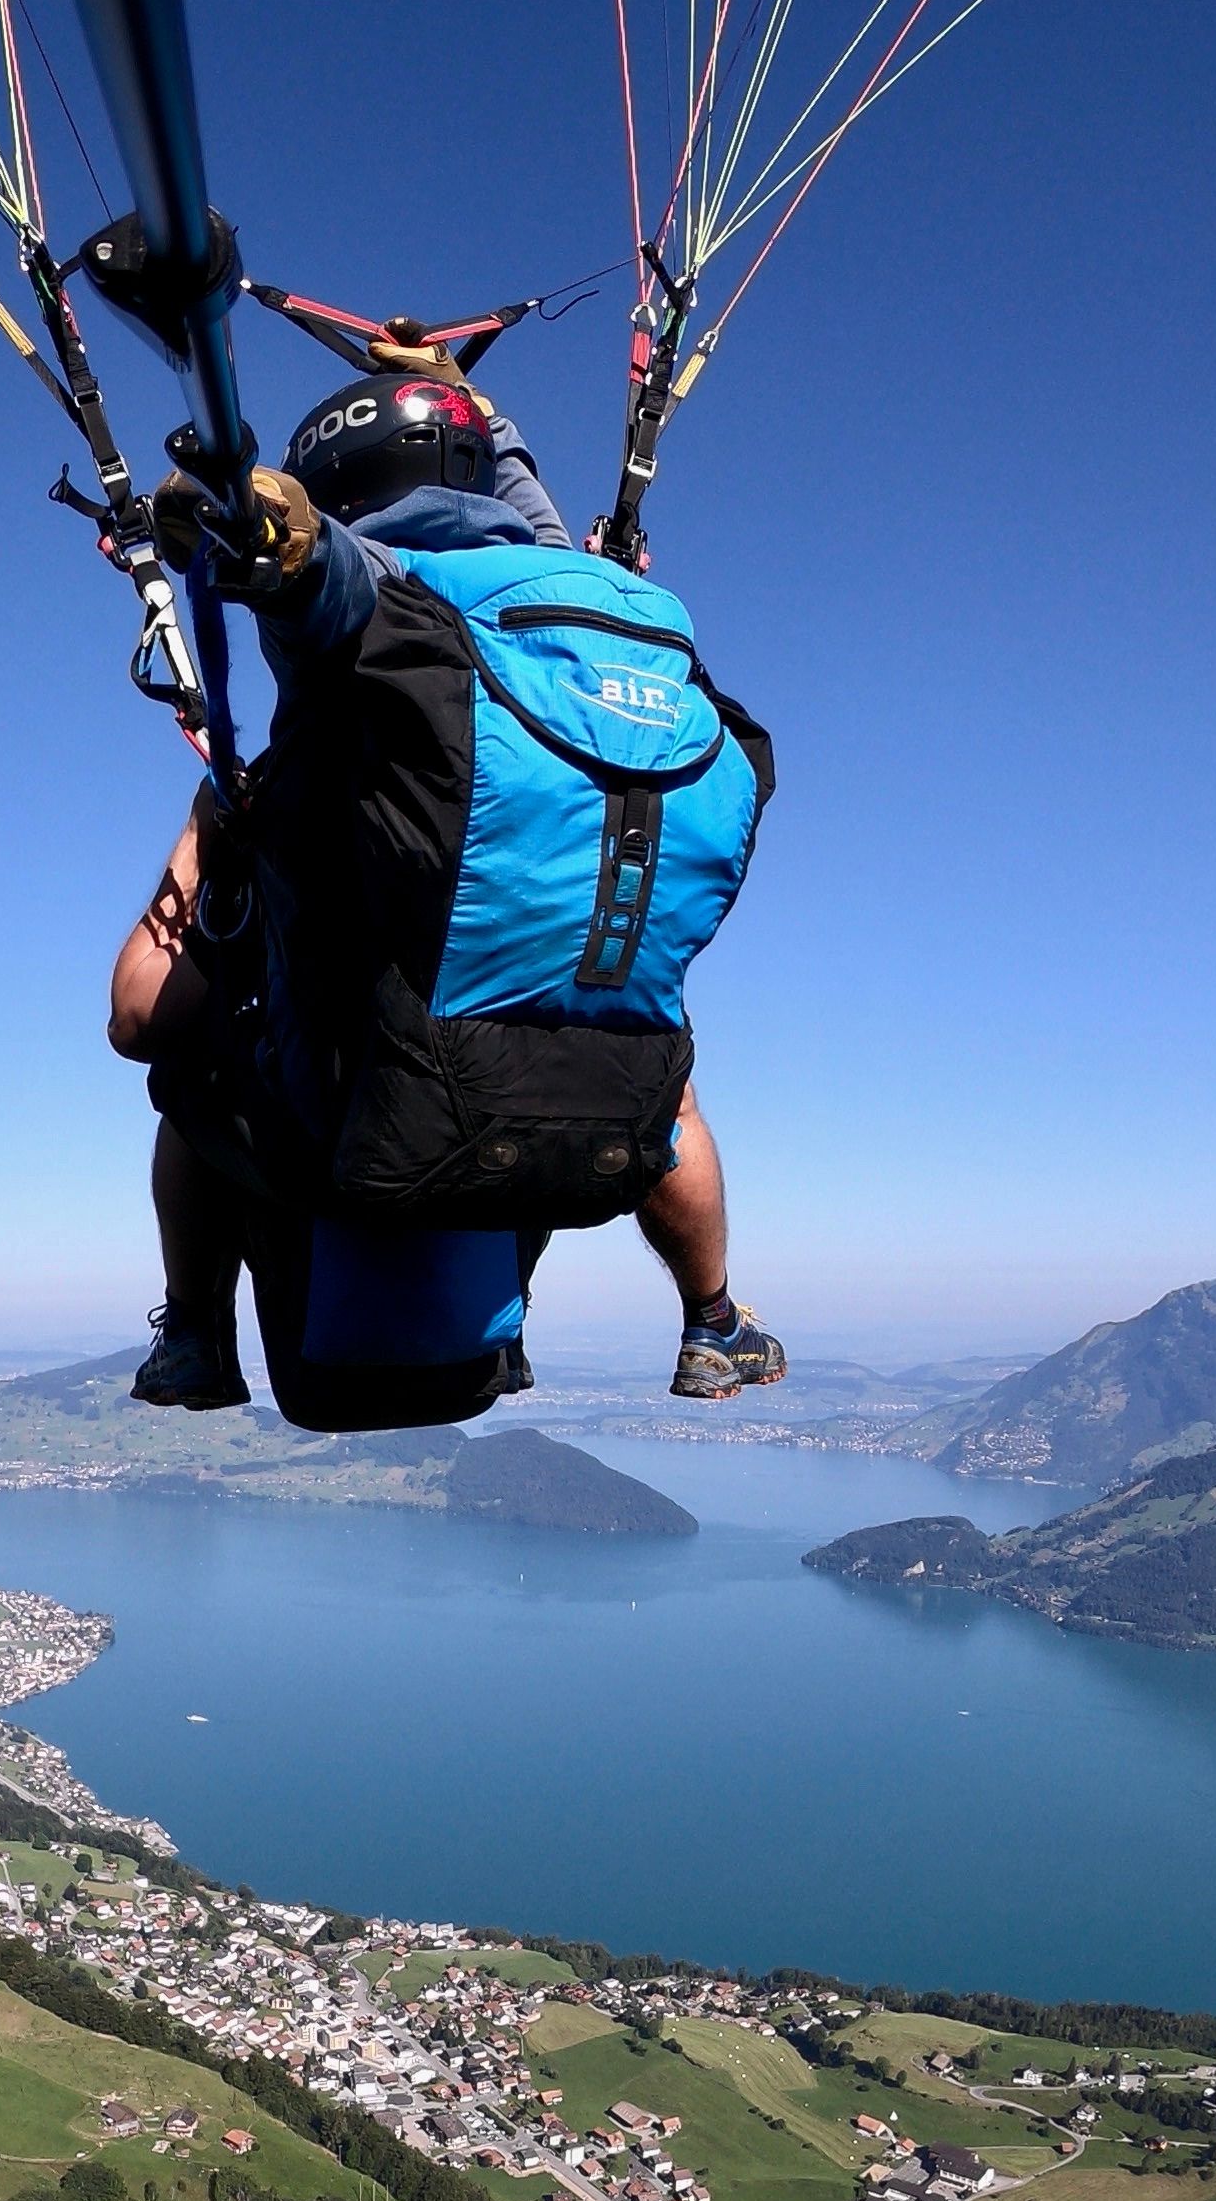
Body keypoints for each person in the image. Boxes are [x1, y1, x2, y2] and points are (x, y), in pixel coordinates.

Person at [109, 342, 788, 1413]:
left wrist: (243, 525)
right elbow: (539, 544)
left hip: (387, 1122)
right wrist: (476, 405)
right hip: (602, 1130)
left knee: (181, 1070)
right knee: (672, 1087)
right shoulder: (617, 629)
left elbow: (326, 590)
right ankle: (712, 1322)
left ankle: (194, 1334)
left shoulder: (396, 619)